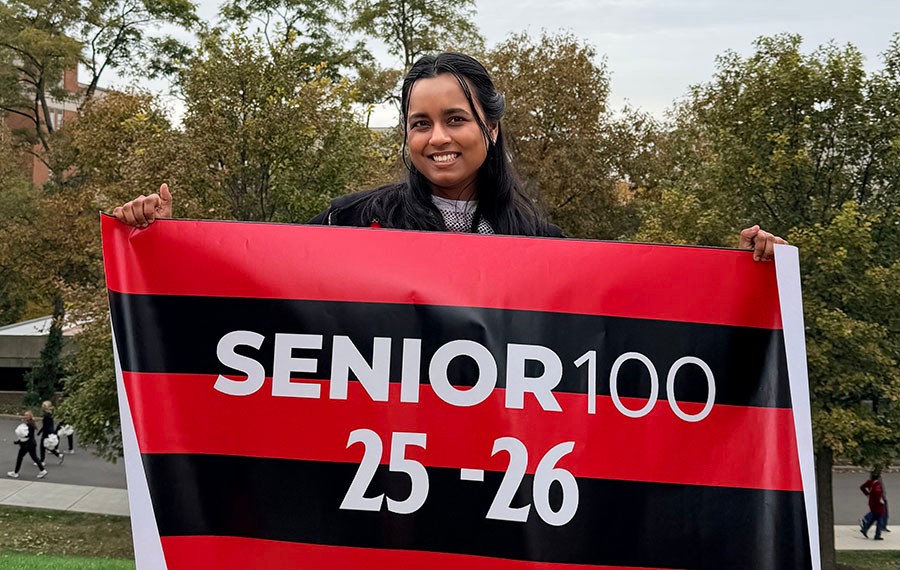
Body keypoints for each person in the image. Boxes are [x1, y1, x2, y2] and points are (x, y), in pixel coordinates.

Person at [113, 52, 786, 256]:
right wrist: (163, 243)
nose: (436, 138)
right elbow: (261, 282)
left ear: (492, 130)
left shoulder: (542, 242)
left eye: (455, 119)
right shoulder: (352, 222)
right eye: (419, 123)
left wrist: (750, 275)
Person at [7, 411, 48, 479]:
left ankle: (15, 472)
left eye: (27, 415)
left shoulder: (30, 424)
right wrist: (19, 441)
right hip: (31, 444)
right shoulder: (30, 423)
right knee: (34, 457)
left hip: (27, 445)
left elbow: (29, 435)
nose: (25, 416)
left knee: (20, 457)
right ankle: (43, 470)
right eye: (24, 415)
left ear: (30, 416)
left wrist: (21, 438)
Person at [860, 471, 887, 540]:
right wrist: (881, 502)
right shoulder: (877, 484)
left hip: (872, 503)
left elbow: (862, 487)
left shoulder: (869, 482)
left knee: (874, 517)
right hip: (878, 504)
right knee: (880, 520)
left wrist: (867, 494)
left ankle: (865, 529)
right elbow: (878, 494)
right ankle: (877, 535)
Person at [38, 400, 64, 465]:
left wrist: (41, 432)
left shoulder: (46, 415)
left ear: (48, 407)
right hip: (49, 431)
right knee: (46, 446)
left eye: (44, 405)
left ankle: (42, 461)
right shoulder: (49, 414)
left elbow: (46, 425)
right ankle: (58, 455)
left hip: (47, 432)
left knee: (42, 446)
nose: (43, 406)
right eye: (43, 404)